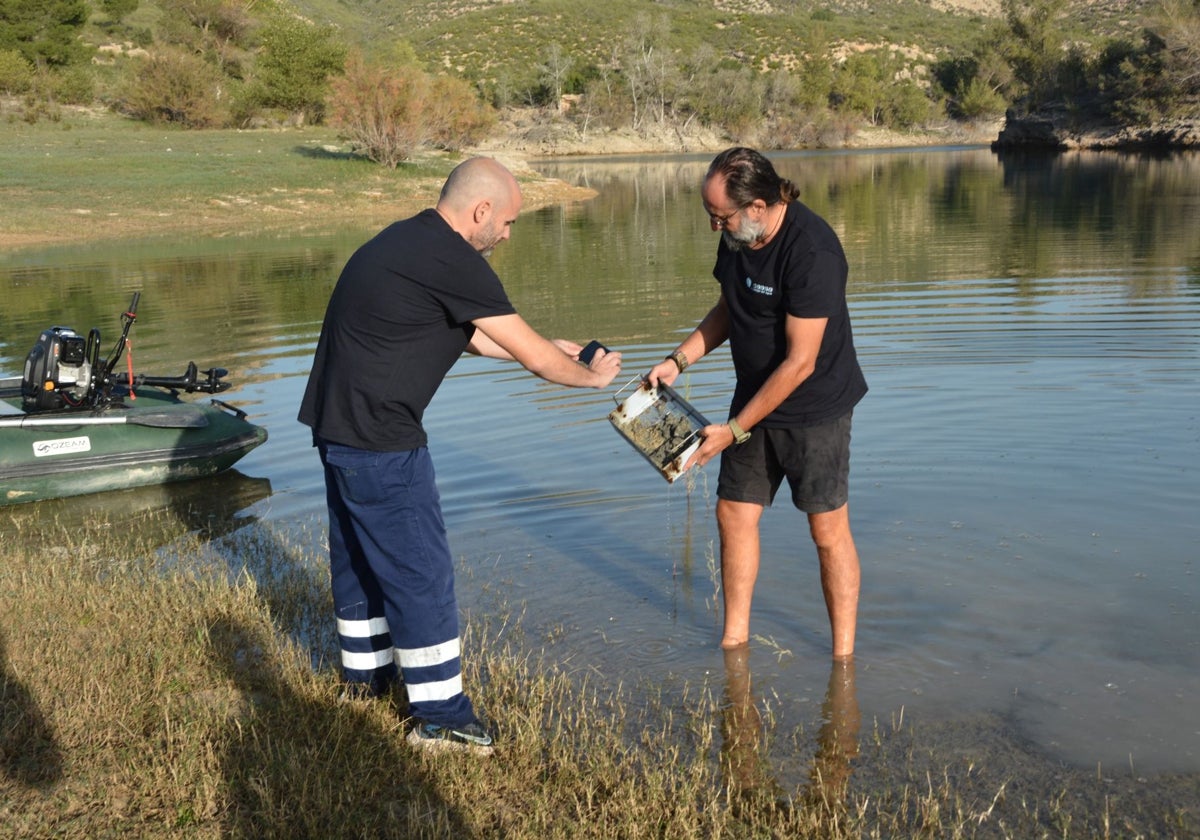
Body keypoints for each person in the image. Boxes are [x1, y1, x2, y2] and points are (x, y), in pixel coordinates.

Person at [298, 156, 622, 755]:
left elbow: (457, 331)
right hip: (382, 441)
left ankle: (364, 681)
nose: (505, 235)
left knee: (362, 559)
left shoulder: (404, 240)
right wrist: (590, 377)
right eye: (508, 223)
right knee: (420, 571)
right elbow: (540, 364)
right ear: (481, 212)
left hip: (336, 429)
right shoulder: (455, 260)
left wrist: (541, 343)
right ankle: (441, 717)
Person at [647, 147, 867, 660]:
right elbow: (729, 308)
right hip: (752, 399)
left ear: (760, 205)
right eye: (711, 216)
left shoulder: (813, 251)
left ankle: (842, 659)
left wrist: (735, 429)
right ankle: (733, 640)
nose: (714, 227)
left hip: (815, 409)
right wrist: (677, 361)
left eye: (720, 217)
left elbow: (800, 364)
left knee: (827, 528)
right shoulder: (737, 238)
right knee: (733, 513)